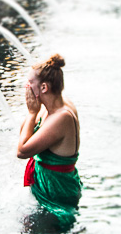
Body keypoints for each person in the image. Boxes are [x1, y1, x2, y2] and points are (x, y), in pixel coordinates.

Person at [17, 52, 81, 222]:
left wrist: (31, 113)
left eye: (30, 83)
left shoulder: (62, 117)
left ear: (44, 88)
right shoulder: (50, 106)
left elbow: (22, 151)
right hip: (48, 184)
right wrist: (34, 111)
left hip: (57, 191)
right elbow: (24, 133)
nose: (26, 87)